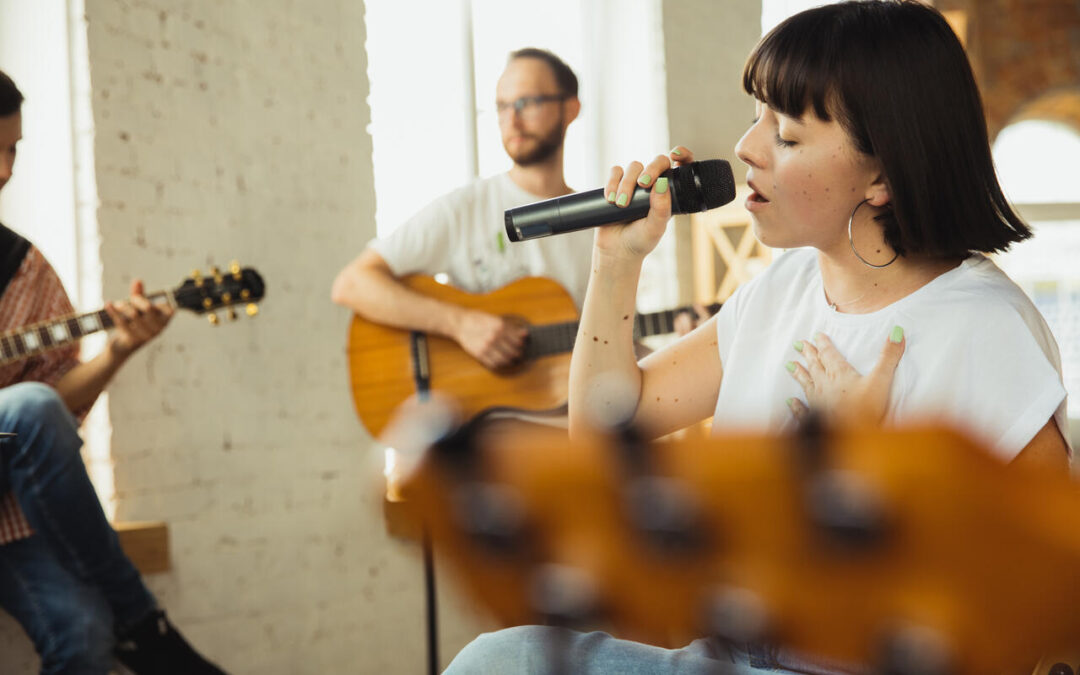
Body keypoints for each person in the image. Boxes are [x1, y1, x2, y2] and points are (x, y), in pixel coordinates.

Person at [443, 2, 1069, 673]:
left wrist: (869, 474)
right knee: (500, 659)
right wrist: (616, 262)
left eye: (789, 136)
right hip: (724, 653)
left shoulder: (981, 325)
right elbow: (602, 429)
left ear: (882, 176)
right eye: (756, 118)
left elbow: (1043, 603)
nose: (746, 148)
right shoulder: (784, 287)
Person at [0, 70, 225, 674]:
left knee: (82, 634)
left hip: (6, 521)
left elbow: (47, 406)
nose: (3, 170)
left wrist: (119, 349)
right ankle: (144, 620)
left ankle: (130, 623)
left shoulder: (24, 270)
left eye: (13, 150)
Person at [331, 48, 595, 372]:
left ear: (570, 108)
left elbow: (613, 341)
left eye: (528, 102)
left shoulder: (598, 225)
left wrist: (675, 344)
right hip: (477, 413)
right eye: (502, 106)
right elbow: (352, 283)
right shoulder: (465, 208)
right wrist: (459, 323)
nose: (512, 120)